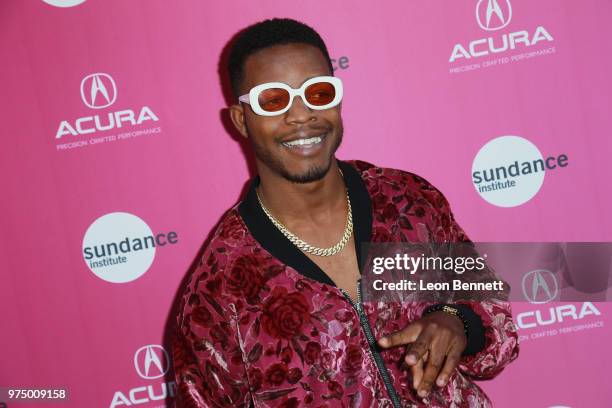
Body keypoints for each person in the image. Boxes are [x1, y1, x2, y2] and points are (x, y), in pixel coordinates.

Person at [172, 17, 519, 407]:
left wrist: (455, 320)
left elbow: (496, 323)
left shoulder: (407, 201)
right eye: (274, 100)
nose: (301, 115)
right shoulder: (219, 288)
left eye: (318, 92)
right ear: (241, 119)